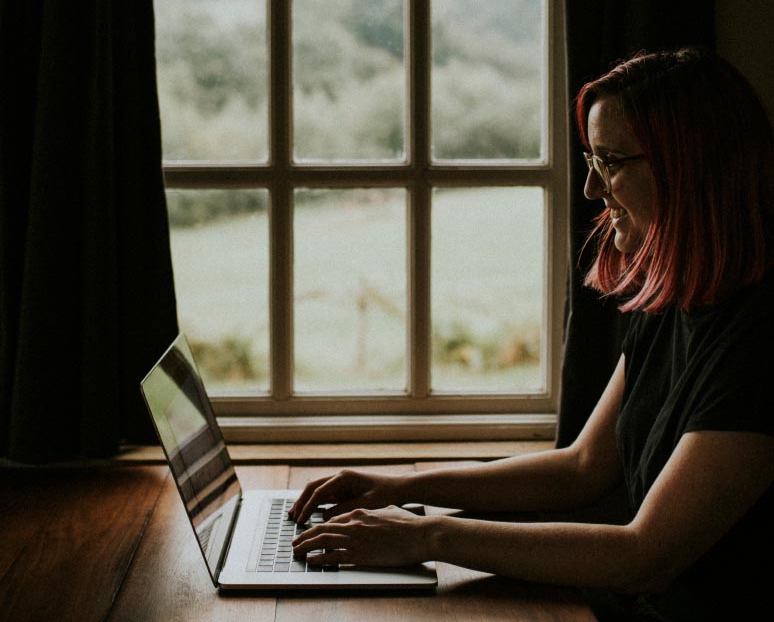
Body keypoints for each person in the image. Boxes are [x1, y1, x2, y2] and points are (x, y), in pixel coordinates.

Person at [290, 47, 774, 621]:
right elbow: (580, 467)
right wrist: (398, 487)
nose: (593, 191)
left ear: (692, 168)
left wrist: (429, 538)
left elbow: (647, 555)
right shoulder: (673, 298)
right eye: (592, 162)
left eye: (611, 162)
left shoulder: (762, 340)